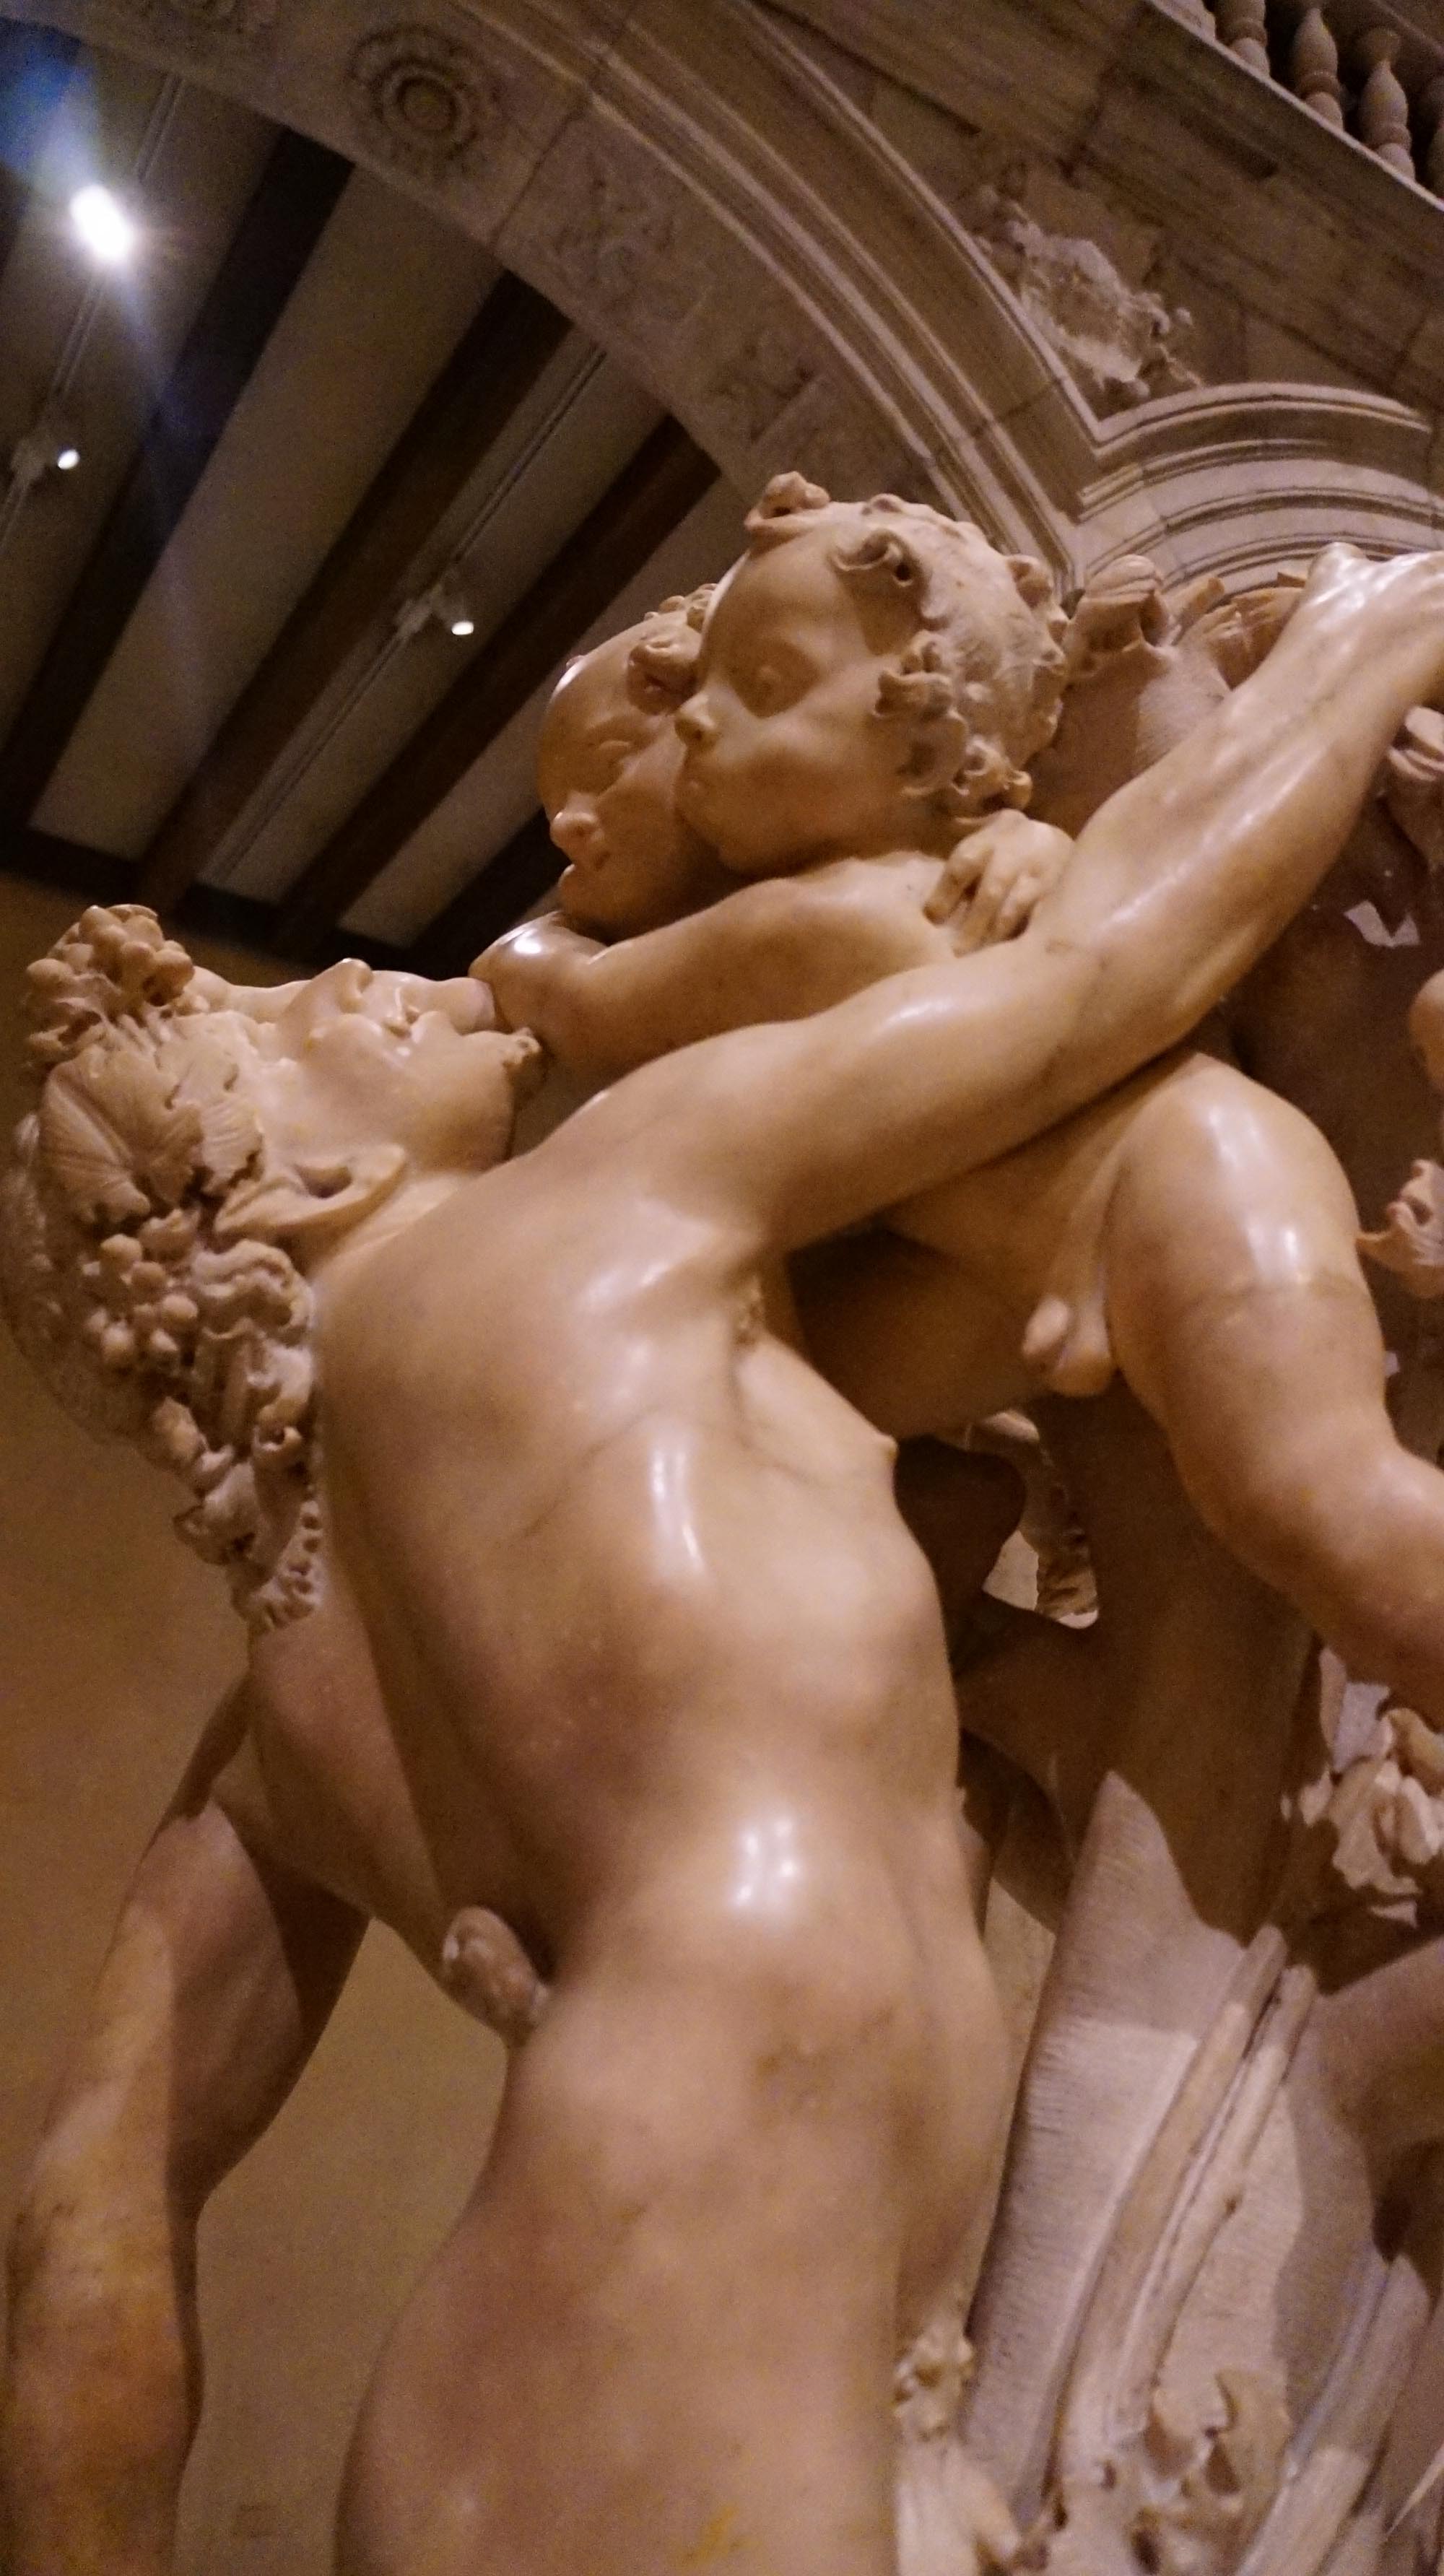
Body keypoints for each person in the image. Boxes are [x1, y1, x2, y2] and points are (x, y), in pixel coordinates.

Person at [6, 519, 1444, 2576]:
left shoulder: (303, 1691)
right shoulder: (578, 1224)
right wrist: (1370, 642)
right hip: (689, 2252)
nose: (389, 971)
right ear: (296, 1181)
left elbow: (89, 2216)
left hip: (677, 2293)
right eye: (326, 1008)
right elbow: (1098, 976)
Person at [486, 477, 1444, 1727]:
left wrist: (525, 955)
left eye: (759, 687)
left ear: (933, 743)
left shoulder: (818, 923)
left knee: (1329, 1507)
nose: (575, 825)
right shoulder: (896, 902)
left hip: (1188, 1190)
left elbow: (587, 1001)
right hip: (1036, 1260)